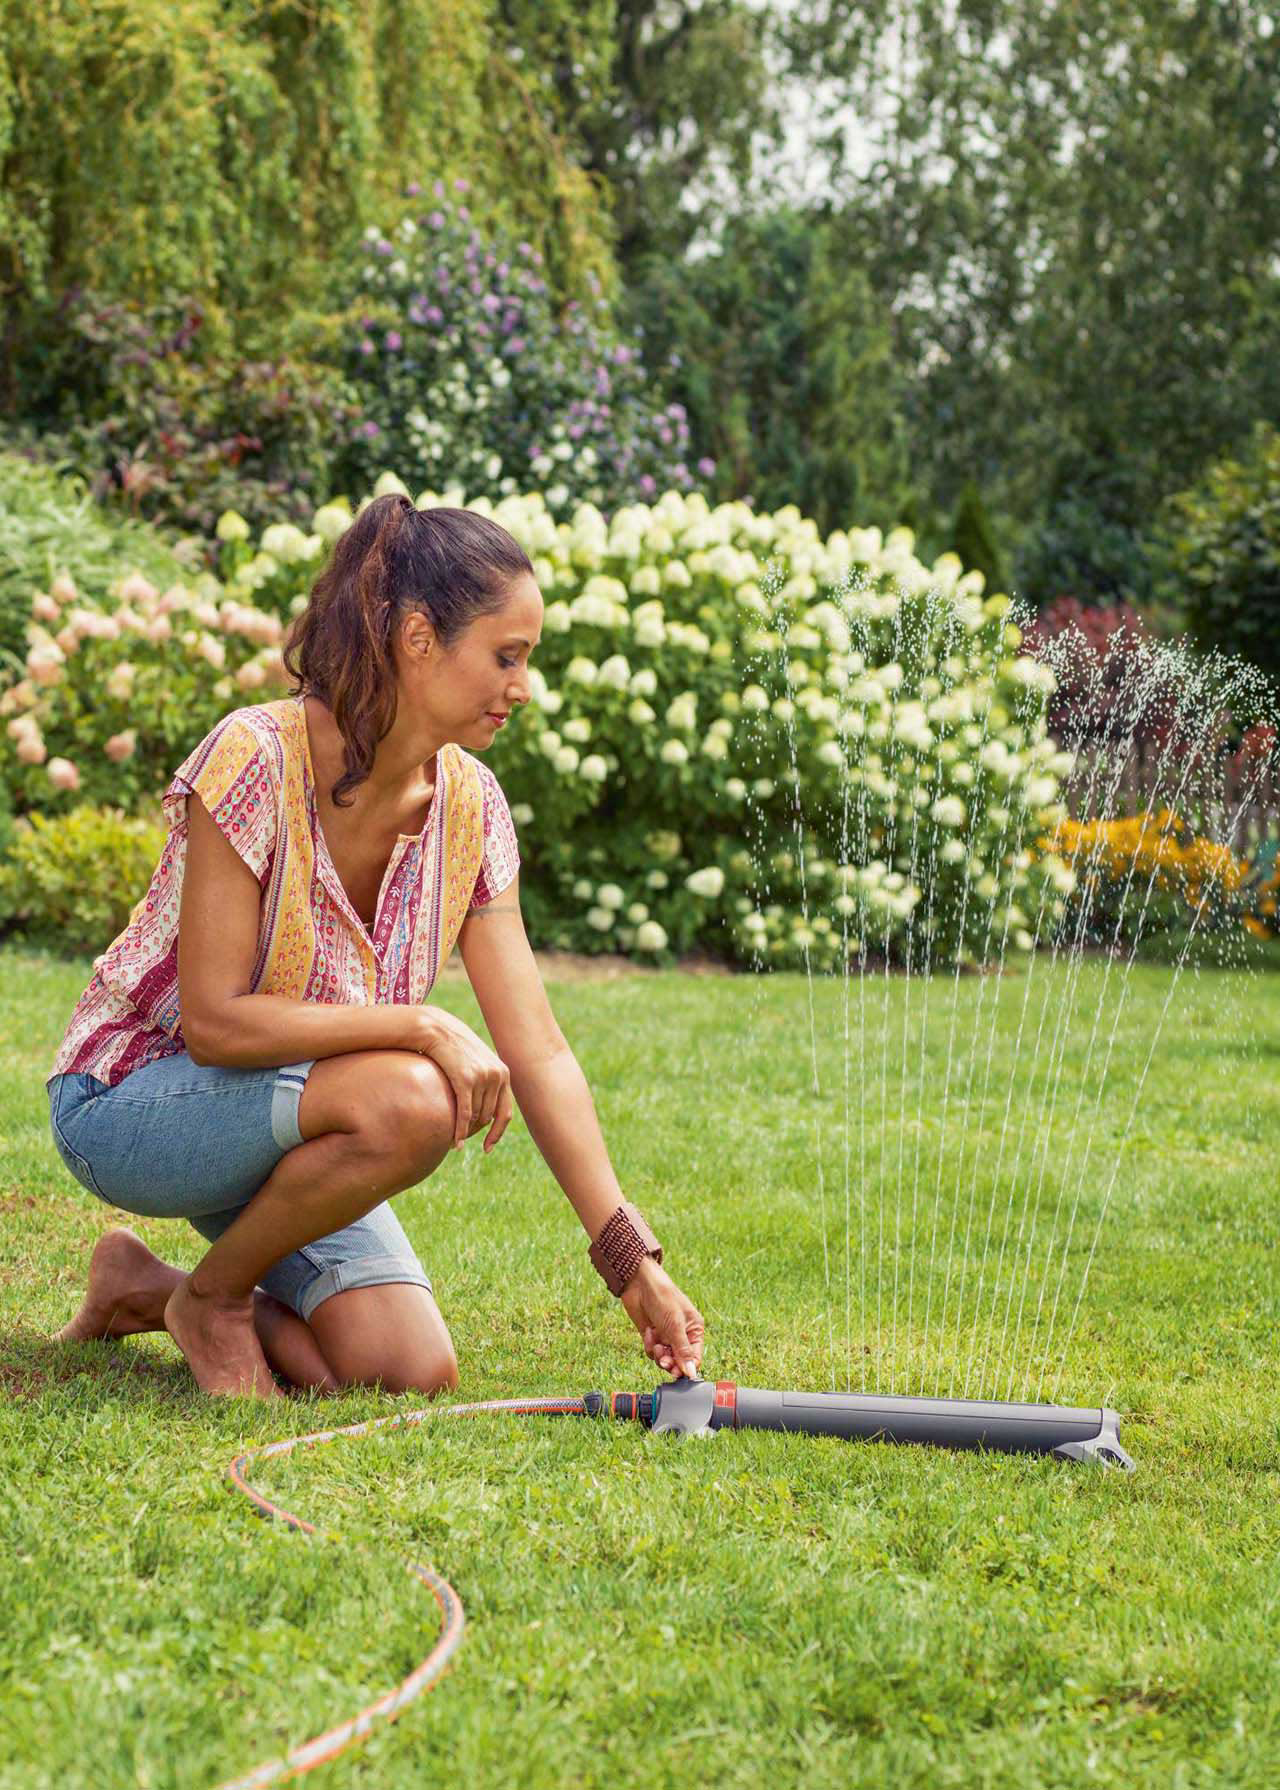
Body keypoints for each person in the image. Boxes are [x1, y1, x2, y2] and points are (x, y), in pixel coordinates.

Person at [46, 493, 706, 1401]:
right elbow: (214, 1026)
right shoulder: (255, 757)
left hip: (290, 1124)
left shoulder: (472, 810)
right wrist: (425, 1026)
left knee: (407, 1371)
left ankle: (148, 1290)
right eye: (506, 657)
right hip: (132, 1102)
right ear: (418, 638)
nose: (523, 687)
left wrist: (630, 1260)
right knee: (414, 1098)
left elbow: (540, 1050)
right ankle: (215, 1301)